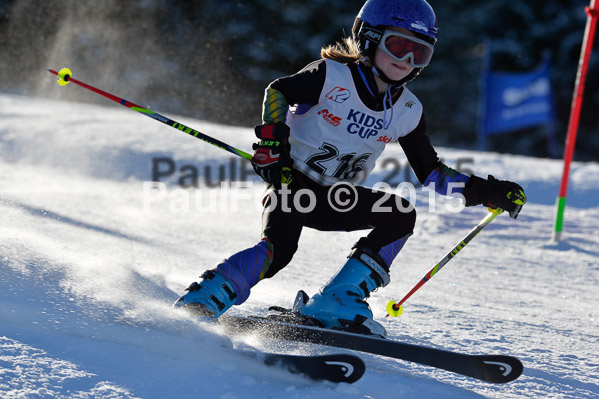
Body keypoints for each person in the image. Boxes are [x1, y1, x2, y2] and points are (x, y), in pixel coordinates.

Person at [173, 0, 526, 336]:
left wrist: (485, 191)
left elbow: (431, 172)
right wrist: (273, 144)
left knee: (400, 215)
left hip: (336, 197)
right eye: (398, 45)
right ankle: (206, 297)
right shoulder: (331, 75)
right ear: (369, 37)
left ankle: (336, 301)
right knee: (279, 250)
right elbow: (278, 91)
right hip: (291, 183)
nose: (406, 59)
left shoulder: (407, 109)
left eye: (419, 52)